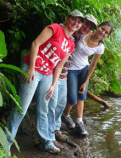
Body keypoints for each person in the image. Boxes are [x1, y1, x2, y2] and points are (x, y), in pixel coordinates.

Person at [5, 10, 84, 154]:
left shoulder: (71, 44)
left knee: (44, 109)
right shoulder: (55, 28)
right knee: (21, 107)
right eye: (74, 19)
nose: (76, 23)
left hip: (48, 74)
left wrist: (54, 84)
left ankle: (46, 142)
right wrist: (31, 67)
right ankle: (6, 144)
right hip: (33, 69)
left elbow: (59, 66)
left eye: (79, 22)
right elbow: (35, 43)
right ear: (67, 19)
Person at [46, 14, 97, 146]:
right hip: (54, 71)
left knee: (61, 103)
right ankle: (48, 136)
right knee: (52, 104)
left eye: (89, 27)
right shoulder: (65, 30)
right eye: (85, 23)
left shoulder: (81, 36)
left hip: (65, 73)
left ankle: (56, 129)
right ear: (80, 22)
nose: (86, 28)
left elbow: (93, 43)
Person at [61, 21, 113, 135]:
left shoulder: (100, 47)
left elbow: (93, 65)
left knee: (81, 96)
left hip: (84, 69)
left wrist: (86, 82)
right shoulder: (85, 33)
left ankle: (79, 123)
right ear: (98, 27)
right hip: (71, 69)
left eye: (106, 32)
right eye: (102, 29)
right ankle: (65, 115)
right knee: (72, 98)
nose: (103, 32)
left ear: (107, 36)